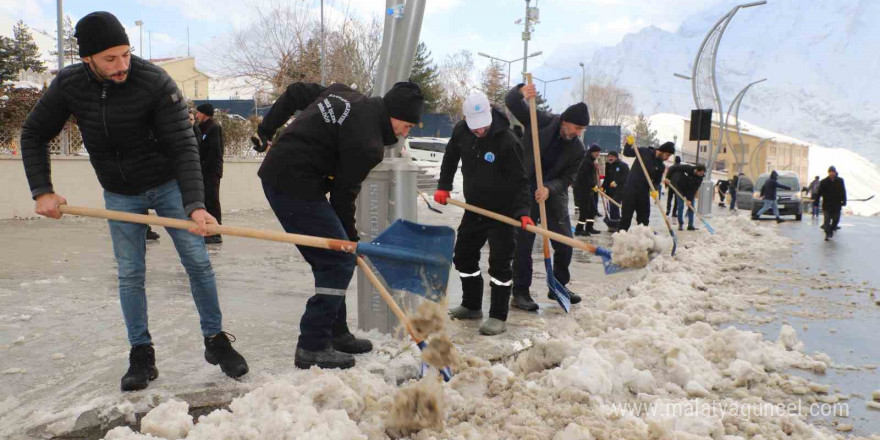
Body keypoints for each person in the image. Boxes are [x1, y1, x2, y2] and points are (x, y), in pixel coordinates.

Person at [19, 11, 248, 391]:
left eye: (126, 54)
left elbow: (184, 145)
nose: (122, 65)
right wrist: (42, 189)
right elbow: (33, 133)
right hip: (120, 193)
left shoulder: (154, 81)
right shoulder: (70, 84)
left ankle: (215, 340)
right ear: (87, 58)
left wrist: (195, 203)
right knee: (130, 274)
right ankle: (141, 354)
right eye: (110, 58)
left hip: (169, 184)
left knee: (197, 260)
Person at [255, 80, 424, 369]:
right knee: (336, 261)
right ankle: (312, 345)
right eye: (406, 125)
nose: (405, 133)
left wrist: (266, 128)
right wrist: (350, 240)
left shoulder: (342, 92)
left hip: (287, 174)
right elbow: (343, 198)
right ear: (393, 114)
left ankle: (337, 333)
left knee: (337, 258)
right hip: (292, 183)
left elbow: (297, 92)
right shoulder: (369, 144)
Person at [433, 93, 531, 335]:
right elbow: (450, 158)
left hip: (502, 213)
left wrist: (523, 212)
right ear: (466, 119)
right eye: (475, 126)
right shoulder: (461, 131)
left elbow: (520, 181)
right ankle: (471, 305)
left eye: (483, 126)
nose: (479, 131)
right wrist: (444, 185)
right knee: (464, 256)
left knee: (499, 264)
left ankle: (498, 316)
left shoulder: (507, 140)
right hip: (474, 208)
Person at [504, 83, 587, 311]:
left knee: (565, 242)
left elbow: (569, 177)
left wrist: (550, 188)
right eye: (577, 127)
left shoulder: (578, 149)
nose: (578, 133)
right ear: (565, 121)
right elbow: (511, 102)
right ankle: (520, 293)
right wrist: (522, 91)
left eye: (582, 129)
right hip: (524, 189)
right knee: (523, 243)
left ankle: (557, 285)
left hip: (552, 193)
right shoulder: (540, 119)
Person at [620, 139, 675, 231]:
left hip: (643, 193)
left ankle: (642, 242)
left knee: (644, 220)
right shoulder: (644, 151)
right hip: (630, 190)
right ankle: (620, 240)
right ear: (662, 151)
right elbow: (627, 152)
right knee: (626, 218)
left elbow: (656, 181)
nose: (667, 158)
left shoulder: (660, 166)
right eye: (667, 155)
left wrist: (655, 190)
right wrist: (628, 144)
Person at [195, 103, 224, 244]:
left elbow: (214, 151)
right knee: (205, 200)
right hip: (203, 171)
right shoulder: (201, 128)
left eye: (198, 113)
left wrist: (206, 167)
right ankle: (207, 230)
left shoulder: (213, 128)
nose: (196, 115)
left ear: (205, 114)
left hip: (211, 171)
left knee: (212, 200)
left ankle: (216, 232)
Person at [666, 163, 706, 231]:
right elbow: (673, 168)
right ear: (696, 170)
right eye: (701, 173)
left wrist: (689, 200)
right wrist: (667, 178)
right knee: (680, 206)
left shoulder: (700, 178)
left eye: (703, 173)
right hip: (679, 189)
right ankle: (680, 224)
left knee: (691, 206)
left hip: (690, 191)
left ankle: (690, 225)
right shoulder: (687, 168)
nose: (702, 174)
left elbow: (694, 189)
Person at [574, 144, 602, 235]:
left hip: (589, 189)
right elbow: (584, 176)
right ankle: (579, 229)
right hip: (583, 189)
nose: (598, 154)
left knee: (592, 209)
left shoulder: (591, 161)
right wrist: (592, 185)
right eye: (597, 152)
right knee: (584, 210)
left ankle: (589, 228)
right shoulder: (587, 161)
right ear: (593, 152)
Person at [816, 166, 846, 240]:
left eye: (833, 172)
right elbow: (819, 193)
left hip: (837, 204)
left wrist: (844, 201)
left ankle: (832, 229)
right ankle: (827, 233)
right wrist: (816, 202)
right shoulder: (824, 182)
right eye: (830, 172)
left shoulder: (840, 181)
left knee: (836, 219)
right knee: (827, 220)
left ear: (835, 173)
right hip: (827, 204)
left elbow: (843, 191)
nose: (832, 173)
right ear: (828, 173)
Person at [602, 150, 629, 232]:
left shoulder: (623, 165)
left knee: (615, 206)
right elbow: (607, 178)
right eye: (609, 156)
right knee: (610, 207)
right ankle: (613, 224)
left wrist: (617, 182)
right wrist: (603, 187)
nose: (610, 158)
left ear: (616, 157)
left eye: (612, 157)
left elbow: (627, 177)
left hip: (620, 190)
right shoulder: (608, 165)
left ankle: (617, 225)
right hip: (610, 190)